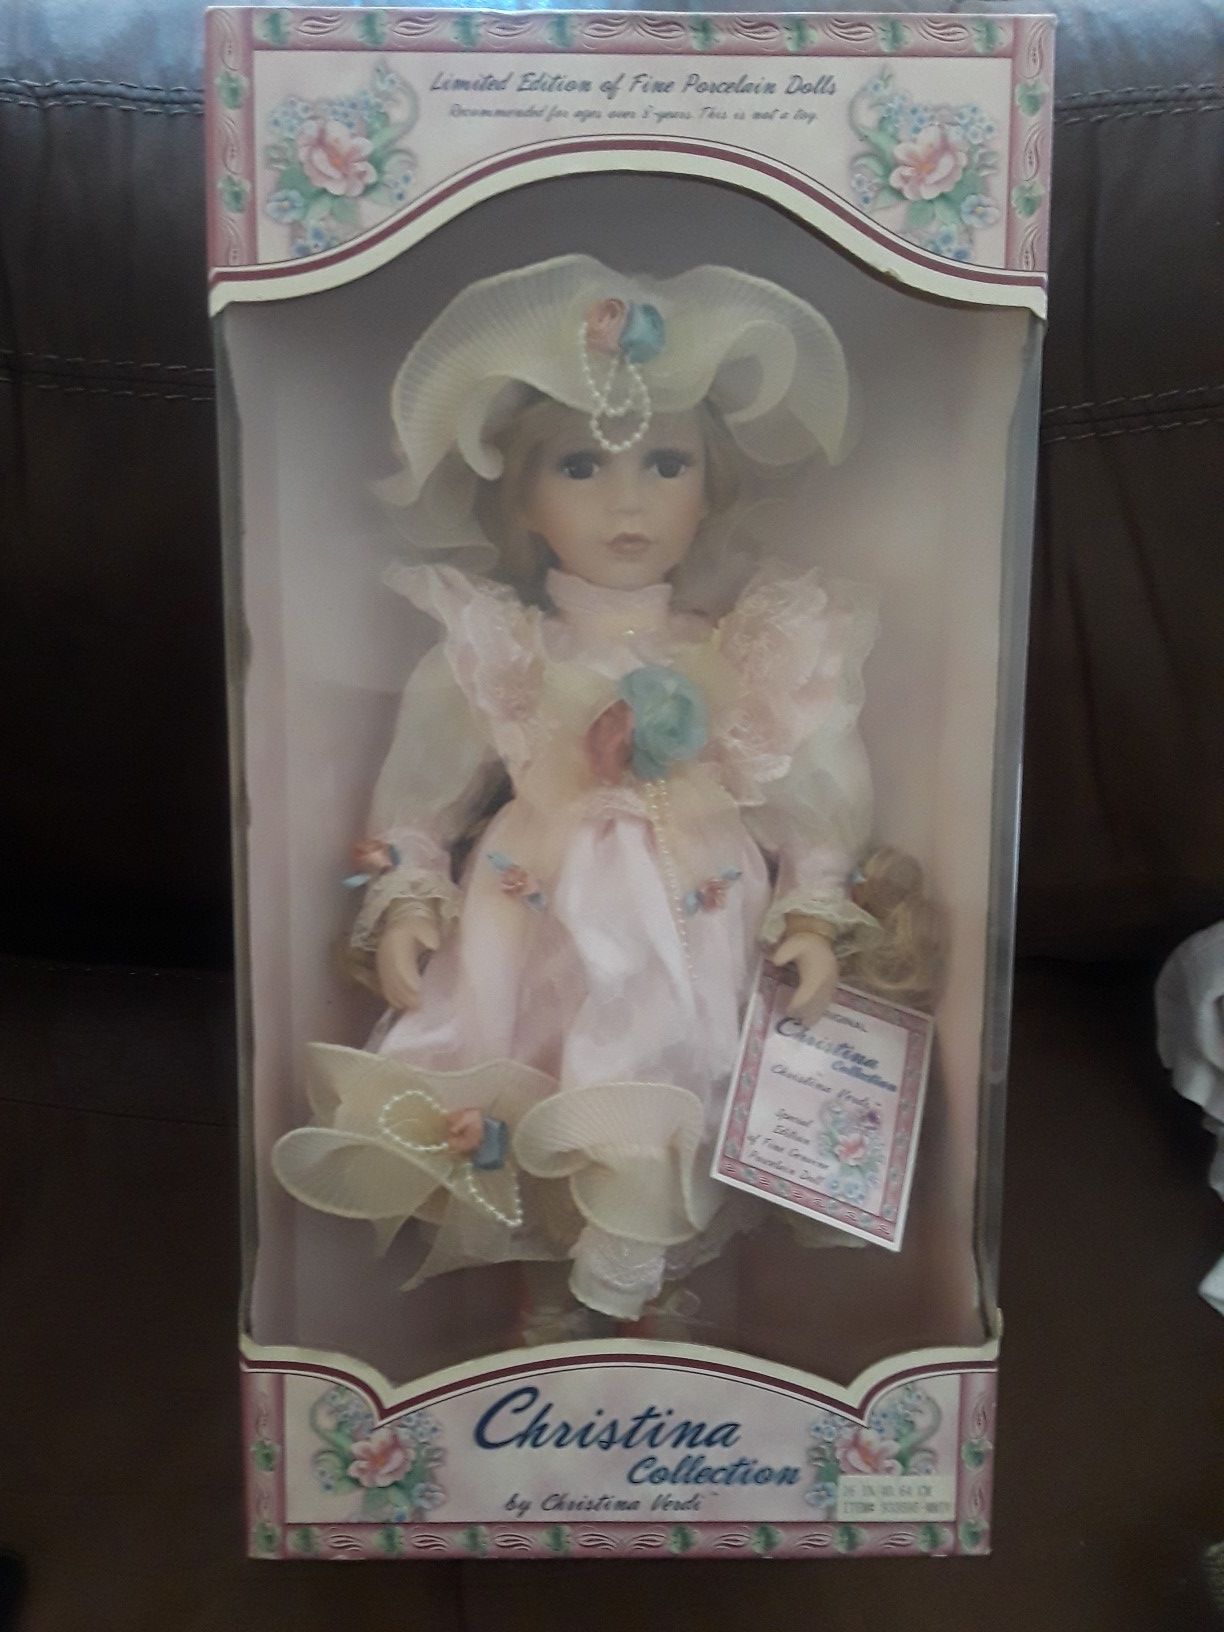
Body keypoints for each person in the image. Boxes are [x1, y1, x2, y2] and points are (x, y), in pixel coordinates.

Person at [272, 256, 884, 1327]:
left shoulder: (747, 649)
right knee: (540, 1109)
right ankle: (556, 1318)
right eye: (580, 465)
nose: (627, 499)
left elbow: (810, 794)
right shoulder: (499, 649)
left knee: (677, 1109)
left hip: (699, 934)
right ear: (522, 496)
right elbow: (423, 796)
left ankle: (662, 1309)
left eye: (666, 463)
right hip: (535, 928)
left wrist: (813, 911)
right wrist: (410, 896)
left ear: (712, 488)